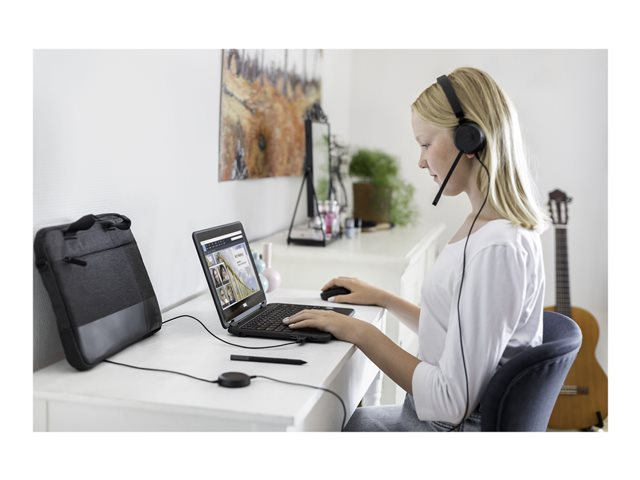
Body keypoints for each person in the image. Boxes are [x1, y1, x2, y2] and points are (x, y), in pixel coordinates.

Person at [283, 67, 548, 431]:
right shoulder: (486, 227)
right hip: (435, 421)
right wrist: (384, 298)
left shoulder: (497, 248)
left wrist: (358, 332)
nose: (421, 160)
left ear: (470, 140)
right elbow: (455, 334)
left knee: (313, 427)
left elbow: (449, 401)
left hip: (443, 429)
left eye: (425, 144)